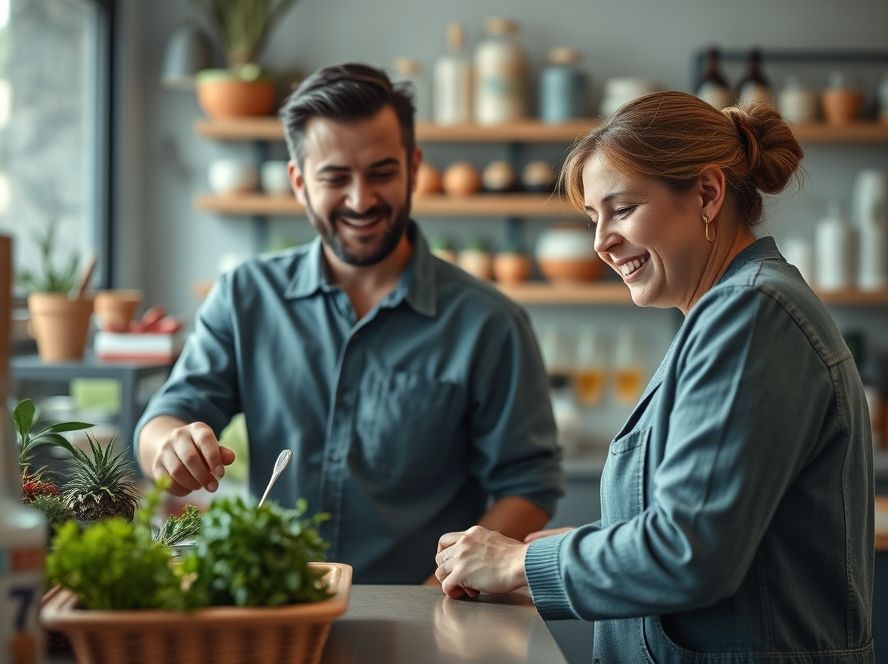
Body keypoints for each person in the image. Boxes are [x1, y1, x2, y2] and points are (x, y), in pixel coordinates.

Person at [435, 91, 874, 662]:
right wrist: (582, 544)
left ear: (708, 194)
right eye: (594, 219)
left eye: (621, 209)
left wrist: (519, 561)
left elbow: (692, 551)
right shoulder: (729, 312)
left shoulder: (749, 315)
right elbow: (707, 522)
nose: (601, 243)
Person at [136, 63, 563, 584]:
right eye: (335, 178)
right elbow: (166, 417)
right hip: (277, 601)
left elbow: (529, 484)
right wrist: (170, 447)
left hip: (425, 610)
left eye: (381, 173)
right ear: (299, 183)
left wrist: (437, 592)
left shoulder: (489, 322)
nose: (361, 200)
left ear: (413, 168)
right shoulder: (246, 296)